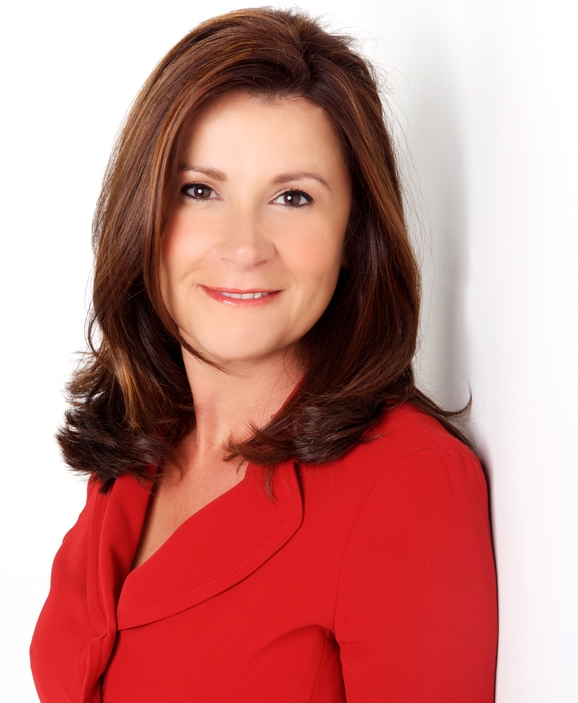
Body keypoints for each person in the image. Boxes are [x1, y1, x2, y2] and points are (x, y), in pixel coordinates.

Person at [30, 8, 498, 702]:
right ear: (144, 215)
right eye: (200, 190)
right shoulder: (135, 446)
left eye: (292, 197)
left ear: (353, 237)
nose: (244, 246)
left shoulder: (408, 485)